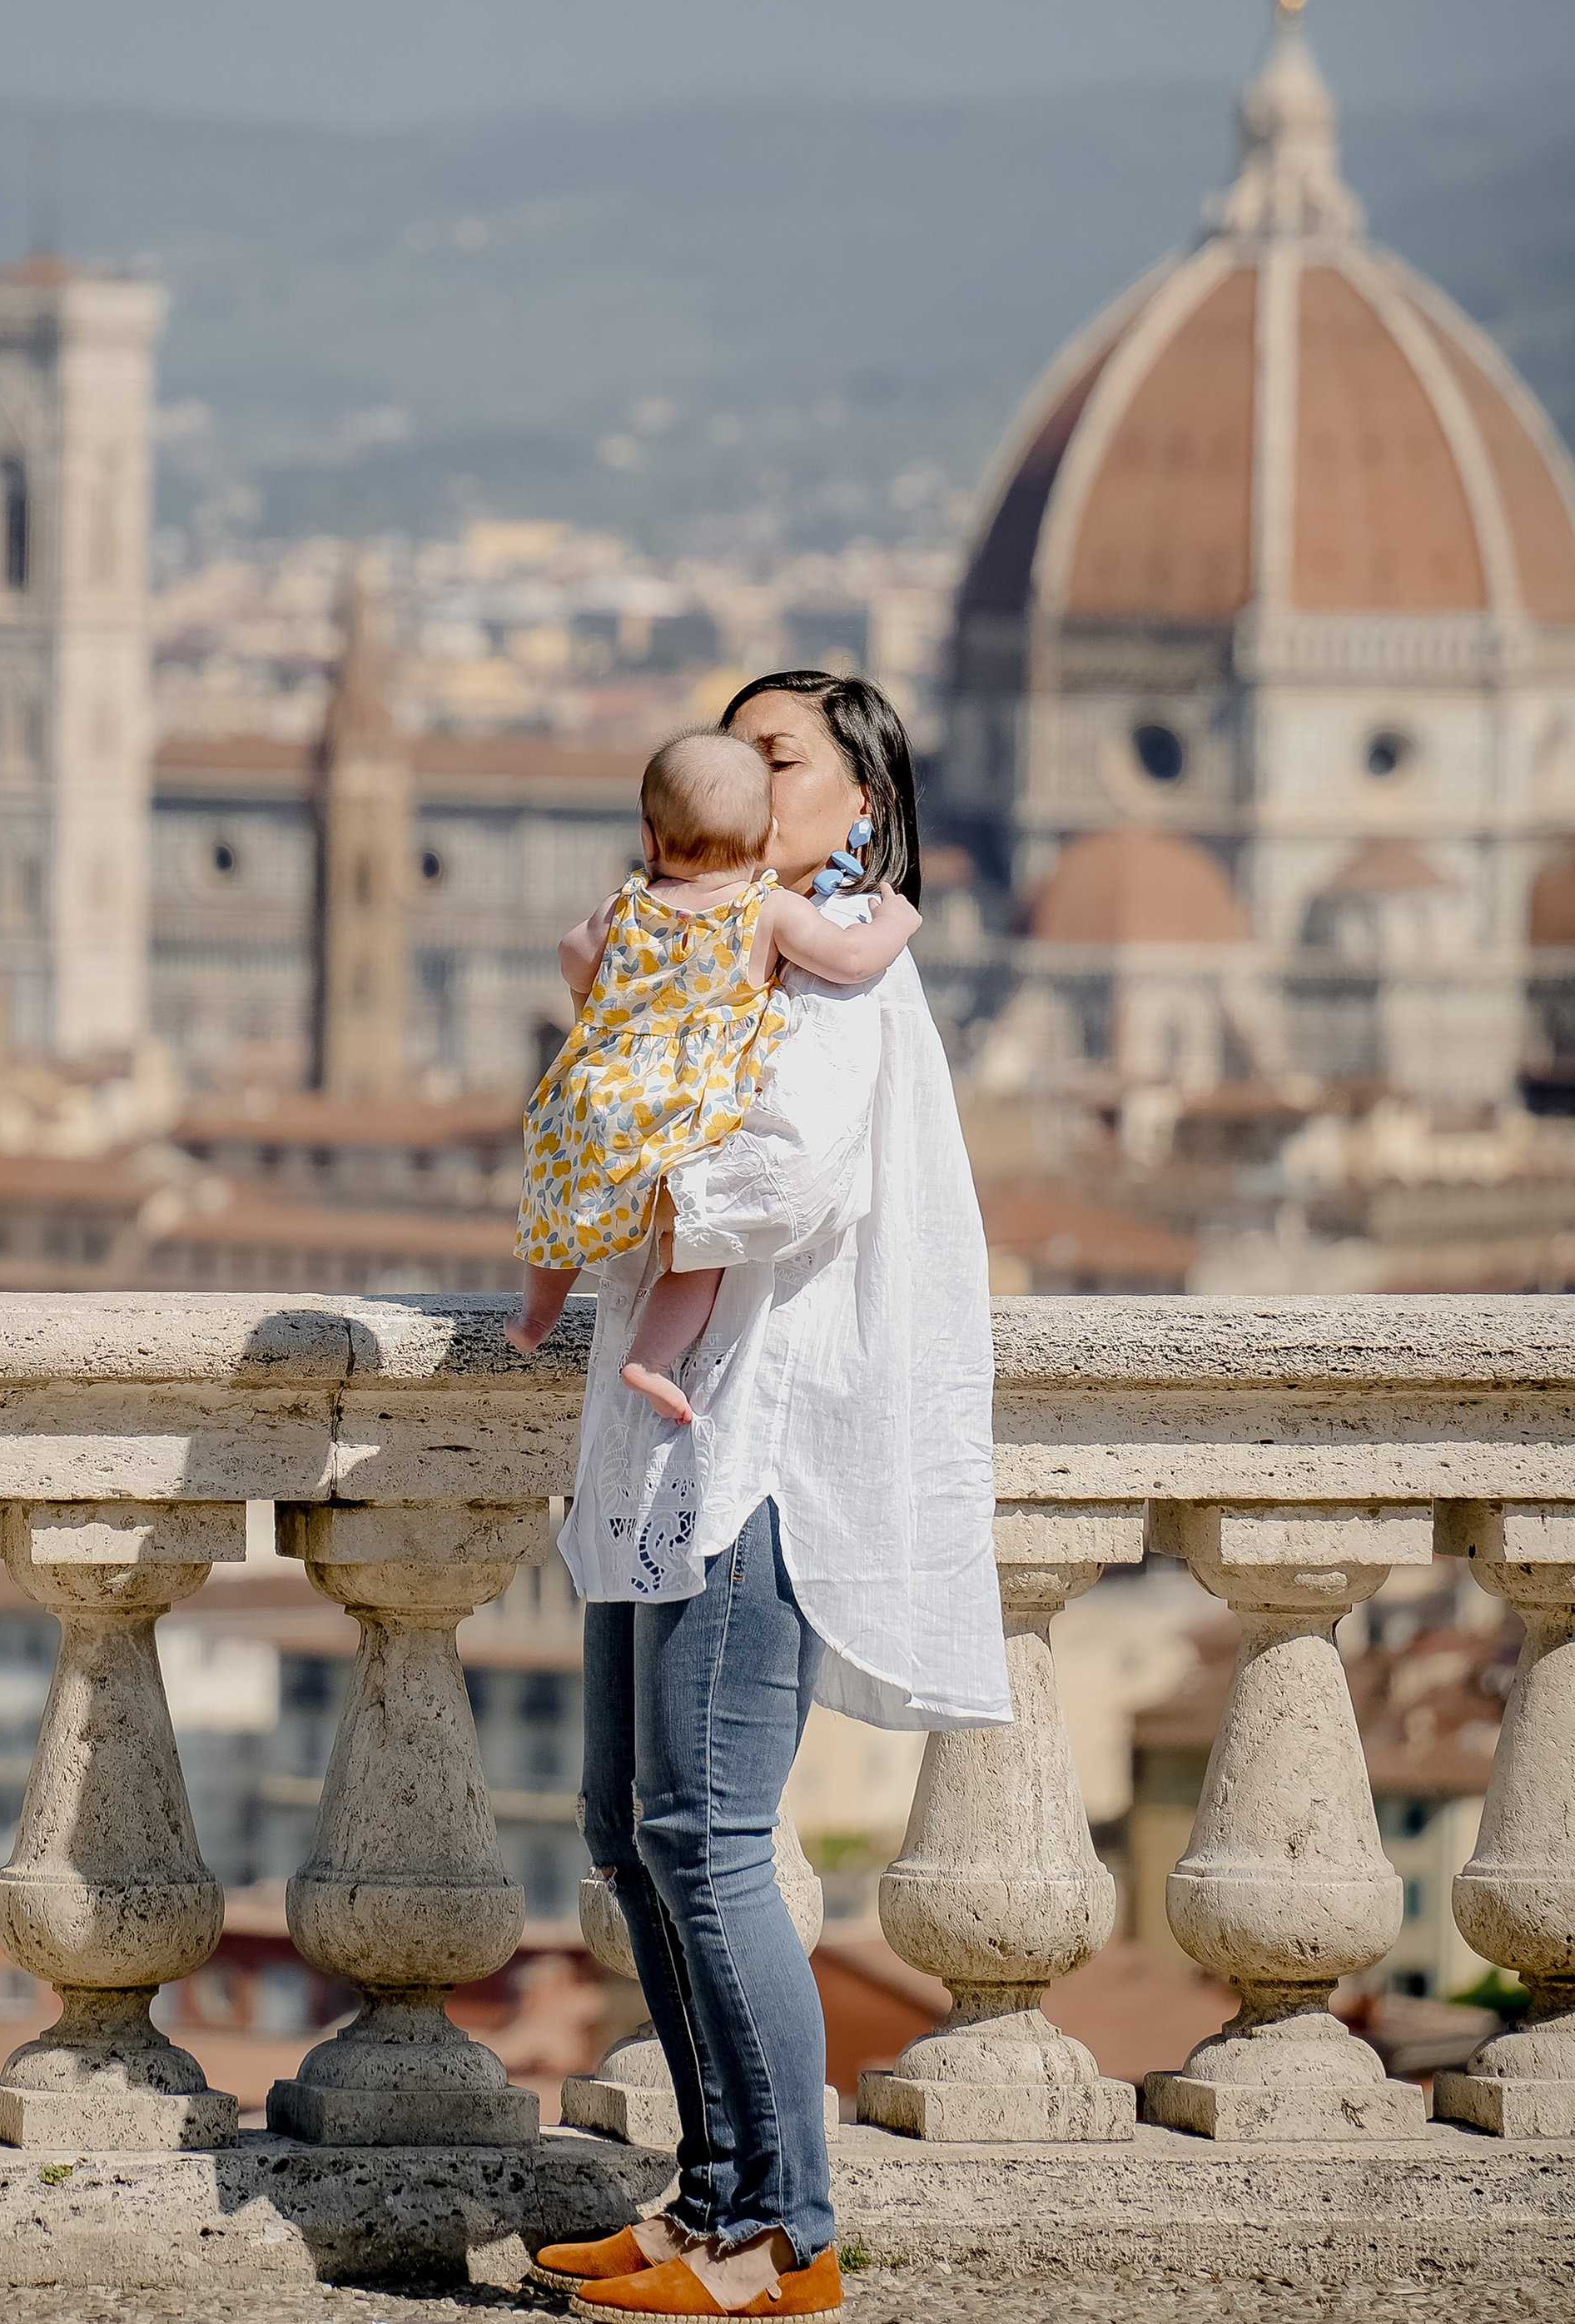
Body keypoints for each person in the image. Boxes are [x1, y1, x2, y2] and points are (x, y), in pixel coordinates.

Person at [510, 673, 1009, 2320]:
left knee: (707, 1837)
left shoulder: (835, 954)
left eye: (773, 755)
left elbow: (784, 1180)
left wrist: (623, 1179)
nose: (734, 776)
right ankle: (707, 2198)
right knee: (626, 1829)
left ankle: (780, 2236)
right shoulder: (724, 941)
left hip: (758, 1449)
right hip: (668, 1447)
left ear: (852, 800)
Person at [506, 729, 921, 1423]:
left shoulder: (628, 902)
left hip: (594, 1095)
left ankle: (534, 1316)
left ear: (648, 834)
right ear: (765, 839)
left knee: (562, 1210)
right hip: (688, 1114)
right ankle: (652, 1358)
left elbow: (572, 954)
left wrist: (594, 1013)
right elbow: (849, 959)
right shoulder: (766, 909)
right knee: (696, 1249)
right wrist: (899, 917)